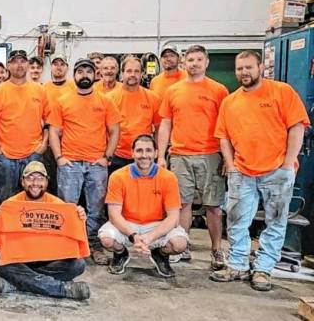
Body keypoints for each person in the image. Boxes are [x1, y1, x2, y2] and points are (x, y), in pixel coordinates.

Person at [210, 51, 310, 291]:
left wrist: (288, 164)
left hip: (277, 171)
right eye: (239, 68)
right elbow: (223, 137)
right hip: (242, 172)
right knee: (236, 221)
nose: (243, 73)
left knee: (275, 222)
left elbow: (297, 127)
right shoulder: (230, 101)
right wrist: (232, 166)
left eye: (248, 67)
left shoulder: (281, 92)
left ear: (260, 67)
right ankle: (238, 264)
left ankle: (264, 269)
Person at [157, 44, 229, 268]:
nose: (194, 63)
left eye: (199, 59)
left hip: (211, 155)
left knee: (214, 206)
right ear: (183, 63)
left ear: (206, 63)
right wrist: (161, 156)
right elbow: (165, 124)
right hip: (180, 155)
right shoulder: (173, 91)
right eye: (190, 60)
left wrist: (228, 157)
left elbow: (228, 126)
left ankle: (217, 250)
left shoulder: (219, 91)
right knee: (182, 204)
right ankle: (182, 245)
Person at [48, 58, 121, 265]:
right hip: (70, 163)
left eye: (89, 71)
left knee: (95, 209)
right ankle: (67, 246)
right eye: (81, 72)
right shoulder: (63, 101)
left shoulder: (105, 101)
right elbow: (54, 131)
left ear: (95, 74)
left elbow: (115, 130)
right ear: (75, 75)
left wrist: (106, 157)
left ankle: (93, 246)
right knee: (67, 208)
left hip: (96, 165)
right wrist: (59, 158)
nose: (85, 75)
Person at [0, 161, 90, 300]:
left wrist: (78, 216)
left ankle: (18, 283)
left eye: (40, 178)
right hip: (22, 260)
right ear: (22, 182)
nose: (35, 183)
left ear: (47, 182)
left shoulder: (60, 206)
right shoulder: (10, 205)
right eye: (30, 178)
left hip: (49, 261)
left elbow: (72, 236)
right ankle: (61, 289)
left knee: (78, 265)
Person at [99, 135, 188, 278]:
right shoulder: (118, 176)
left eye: (148, 150)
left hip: (156, 225)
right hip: (127, 224)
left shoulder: (168, 177)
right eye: (139, 151)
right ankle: (120, 254)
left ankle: (161, 254)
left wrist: (149, 238)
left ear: (156, 153)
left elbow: (173, 217)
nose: (144, 155)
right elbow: (113, 214)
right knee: (106, 240)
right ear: (132, 153)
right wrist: (133, 236)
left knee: (179, 244)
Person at [0, 49, 49, 203]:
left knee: (34, 199)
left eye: (22, 61)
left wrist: (44, 144)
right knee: (6, 201)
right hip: (6, 156)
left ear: (28, 64)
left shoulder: (40, 91)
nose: (19, 65)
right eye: (14, 62)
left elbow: (50, 121)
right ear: (9, 65)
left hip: (33, 154)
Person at [107, 56, 161, 175]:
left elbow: (158, 128)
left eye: (136, 71)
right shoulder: (110, 99)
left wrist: (157, 153)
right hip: (116, 157)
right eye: (129, 71)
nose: (133, 74)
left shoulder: (153, 98)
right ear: (121, 74)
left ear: (142, 73)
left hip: (143, 156)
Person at [43, 53, 75, 195]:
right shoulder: (44, 88)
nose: (59, 67)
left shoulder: (74, 87)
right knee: (50, 179)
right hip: (50, 141)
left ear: (67, 68)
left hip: (70, 142)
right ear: (51, 67)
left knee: (69, 181)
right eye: (56, 64)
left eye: (62, 64)